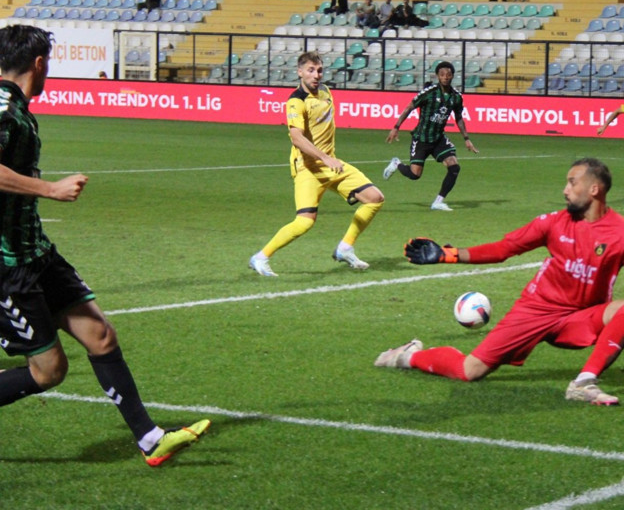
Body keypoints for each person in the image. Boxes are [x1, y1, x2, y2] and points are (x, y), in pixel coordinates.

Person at [0, 25, 211, 465]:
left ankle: (151, 439)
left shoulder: (15, 106)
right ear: (39, 64)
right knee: (49, 371)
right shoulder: (2, 106)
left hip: (36, 253)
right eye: (49, 66)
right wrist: (49, 189)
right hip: (6, 267)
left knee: (100, 335)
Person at [375, 158, 624, 406]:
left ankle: (583, 382)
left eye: (572, 182)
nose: (565, 189)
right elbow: (505, 248)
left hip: (578, 318)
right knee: (470, 370)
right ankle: (408, 355)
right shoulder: (552, 223)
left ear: (594, 189)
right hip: (534, 311)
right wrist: (448, 254)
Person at [248, 52, 385, 277]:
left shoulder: (325, 91)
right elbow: (297, 138)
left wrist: (329, 159)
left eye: (319, 70)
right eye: (311, 70)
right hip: (308, 168)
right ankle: (260, 257)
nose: (316, 75)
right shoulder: (296, 101)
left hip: (331, 165)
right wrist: (325, 158)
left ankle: (345, 248)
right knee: (304, 222)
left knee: (374, 198)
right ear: (299, 72)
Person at [383, 61, 477, 212]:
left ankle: (438, 202)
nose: (445, 77)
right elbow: (409, 107)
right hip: (421, 138)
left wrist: (466, 139)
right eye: (442, 75)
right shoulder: (429, 93)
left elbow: (459, 117)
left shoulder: (456, 97)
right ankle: (396, 164)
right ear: (437, 76)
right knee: (415, 175)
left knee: (454, 167)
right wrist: (396, 127)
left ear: (452, 76)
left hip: (438, 138)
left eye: (448, 74)